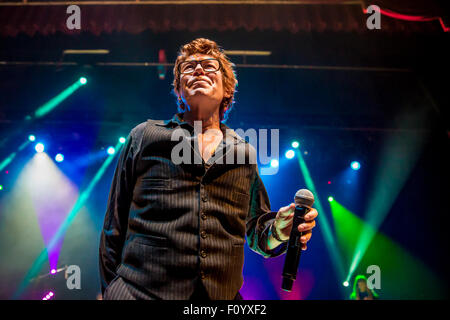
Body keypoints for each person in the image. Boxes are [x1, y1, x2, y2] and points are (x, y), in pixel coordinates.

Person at [99, 38, 318, 300]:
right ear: (179, 90)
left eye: (208, 66)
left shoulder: (244, 153)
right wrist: (108, 293)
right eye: (189, 68)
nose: (198, 70)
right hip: (139, 294)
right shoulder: (145, 137)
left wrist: (278, 232)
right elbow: (114, 225)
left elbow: (258, 233)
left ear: (227, 88)